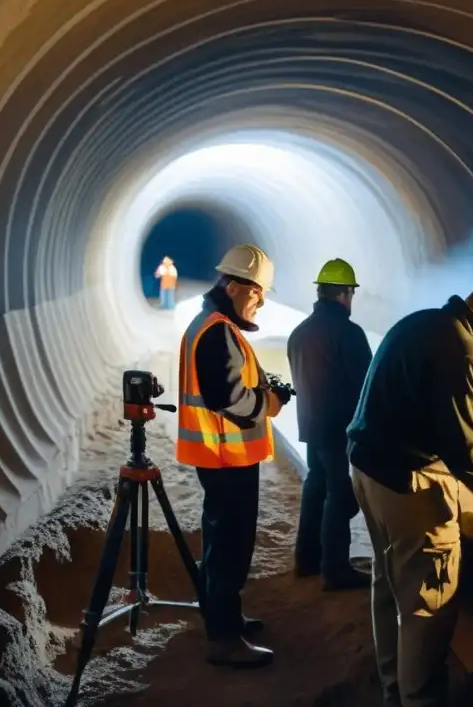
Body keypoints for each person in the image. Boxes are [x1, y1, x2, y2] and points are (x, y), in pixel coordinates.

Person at [348, 264, 473, 707]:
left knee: (389, 589)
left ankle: (395, 692)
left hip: (368, 473)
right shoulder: (466, 352)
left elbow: (446, 410)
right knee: (426, 605)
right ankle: (420, 700)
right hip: (408, 486)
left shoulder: (423, 323)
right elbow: (467, 459)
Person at [176, 243, 289, 669]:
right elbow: (229, 397)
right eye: (258, 291)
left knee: (221, 538)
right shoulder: (218, 329)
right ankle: (224, 638)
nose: (261, 300)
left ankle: (225, 616)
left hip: (220, 455)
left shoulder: (213, 323)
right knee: (230, 545)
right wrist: (269, 403)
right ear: (235, 285)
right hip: (226, 456)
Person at [288, 258, 373, 590]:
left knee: (317, 486)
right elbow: (366, 386)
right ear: (345, 294)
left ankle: (307, 559)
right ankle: (335, 570)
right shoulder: (349, 333)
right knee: (341, 495)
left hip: (311, 425)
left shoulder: (300, 332)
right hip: (339, 429)